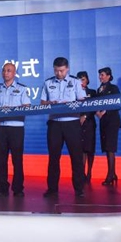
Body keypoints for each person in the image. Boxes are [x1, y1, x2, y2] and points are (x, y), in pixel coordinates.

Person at [40, 57, 87, 198]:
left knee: (76, 157)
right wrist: (50, 102)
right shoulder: (48, 83)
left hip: (72, 122)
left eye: (61, 70)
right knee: (53, 157)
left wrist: (82, 115)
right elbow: (42, 103)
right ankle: (52, 188)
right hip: (54, 123)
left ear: (67, 69)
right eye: (56, 70)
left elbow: (82, 101)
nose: (59, 73)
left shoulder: (75, 82)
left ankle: (79, 189)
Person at [0, 62, 31, 197]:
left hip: (16, 128)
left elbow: (27, 106)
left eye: (9, 70)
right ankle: (2, 188)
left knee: (17, 159)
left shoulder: (22, 89)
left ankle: (18, 188)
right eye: (4, 70)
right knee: (1, 159)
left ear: (14, 73)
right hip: (0, 128)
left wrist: (12, 110)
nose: (6, 73)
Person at [95, 67, 121, 186]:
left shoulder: (114, 88)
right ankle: (113, 173)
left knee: (111, 148)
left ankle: (110, 175)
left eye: (102, 75)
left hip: (112, 121)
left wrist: (105, 111)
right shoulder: (98, 89)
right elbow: (95, 103)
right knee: (106, 148)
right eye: (100, 75)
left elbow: (118, 103)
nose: (101, 77)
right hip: (103, 121)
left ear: (109, 76)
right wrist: (98, 113)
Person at [77, 71, 97, 183]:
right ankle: (82, 173)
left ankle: (89, 172)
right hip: (77, 124)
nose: (81, 82)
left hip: (89, 123)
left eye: (83, 79)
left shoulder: (92, 92)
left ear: (87, 80)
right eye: (79, 80)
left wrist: (85, 116)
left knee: (90, 149)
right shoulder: (73, 92)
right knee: (81, 149)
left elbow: (94, 107)